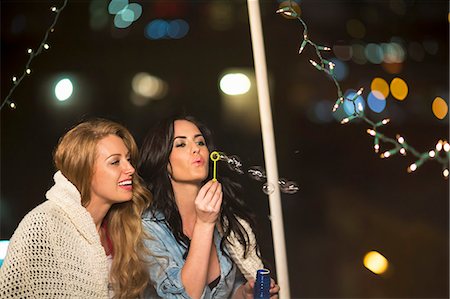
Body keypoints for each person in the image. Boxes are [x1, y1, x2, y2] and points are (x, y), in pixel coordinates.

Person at [0, 118, 151, 298]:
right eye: (115, 162)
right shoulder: (42, 224)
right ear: (84, 169)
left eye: (128, 159)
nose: (130, 169)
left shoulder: (122, 226)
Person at [139, 115, 280, 299]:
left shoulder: (224, 219)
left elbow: (225, 292)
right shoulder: (147, 228)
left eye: (200, 142)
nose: (196, 149)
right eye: (181, 144)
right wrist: (204, 224)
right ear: (163, 159)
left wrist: (244, 294)